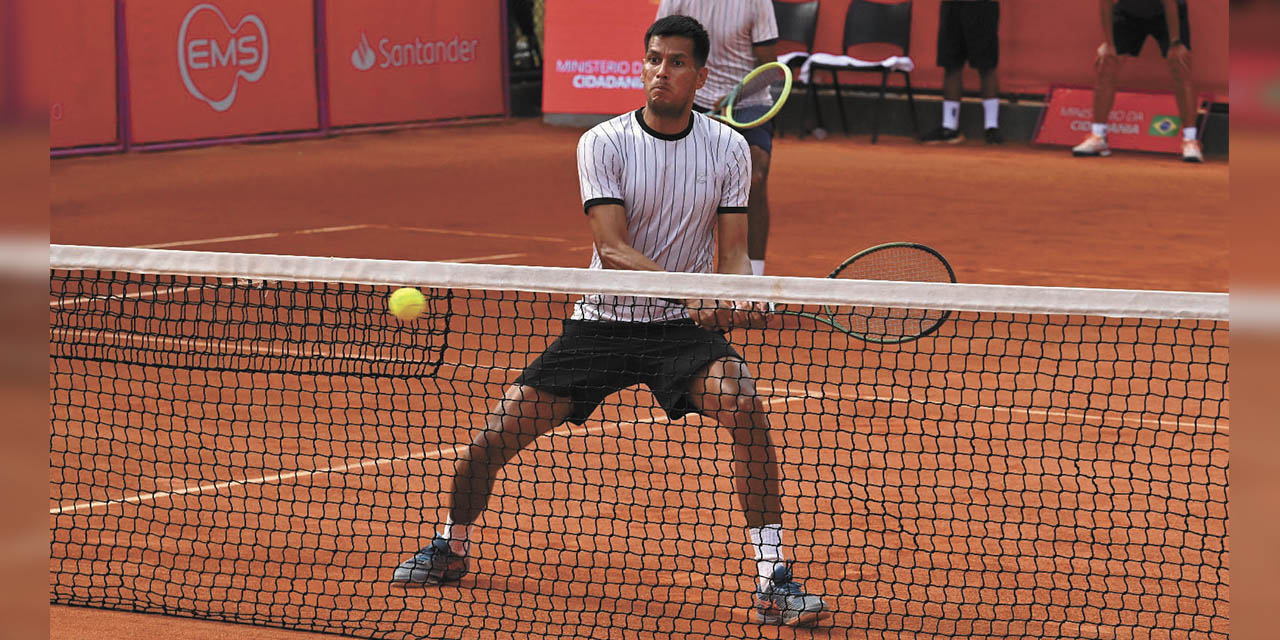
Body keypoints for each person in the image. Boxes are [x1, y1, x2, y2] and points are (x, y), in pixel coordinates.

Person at [390, 15, 830, 628]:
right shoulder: (603, 142)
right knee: (495, 437)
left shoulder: (730, 150)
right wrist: (688, 292)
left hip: (681, 336)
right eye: (653, 59)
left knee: (745, 407)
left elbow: (731, 252)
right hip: (603, 322)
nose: (661, 72)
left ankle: (772, 577)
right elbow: (613, 248)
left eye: (677, 63)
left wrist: (735, 293)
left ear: (701, 76)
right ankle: (451, 544)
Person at [656, 0, 779, 277]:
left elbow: (770, 67)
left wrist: (738, 94)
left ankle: (754, 280)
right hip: (692, 97)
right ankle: (678, 273)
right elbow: (659, 51)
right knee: (676, 181)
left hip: (747, 101)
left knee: (755, 176)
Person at [1072, 0, 1202, 162]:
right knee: (1107, 64)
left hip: (1165, 13)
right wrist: (1109, 44)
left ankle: (1190, 140)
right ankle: (1098, 137)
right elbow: (1105, 5)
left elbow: (1169, 4)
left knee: (1180, 65)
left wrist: (1175, 43)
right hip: (1128, 14)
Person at [919, 0, 1003, 145]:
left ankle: (992, 127)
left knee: (986, 65)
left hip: (983, 6)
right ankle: (949, 127)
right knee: (951, 64)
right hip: (951, 5)